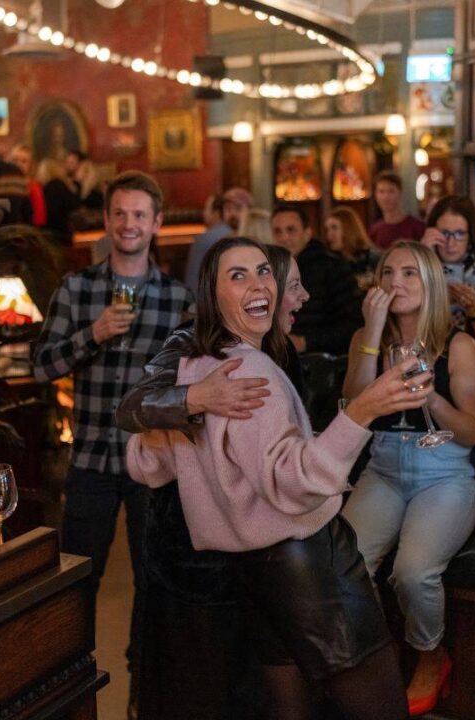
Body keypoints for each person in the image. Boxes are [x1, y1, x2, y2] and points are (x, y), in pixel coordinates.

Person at [127, 236, 436, 720]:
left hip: (258, 574)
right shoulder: (251, 371)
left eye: (262, 271)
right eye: (238, 275)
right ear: (212, 297)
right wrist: (364, 409)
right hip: (314, 568)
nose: (258, 284)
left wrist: (190, 414)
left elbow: (145, 461)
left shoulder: (197, 371)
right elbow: (296, 482)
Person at [114, 241, 308, 720]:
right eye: (294, 285)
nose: (300, 296)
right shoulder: (191, 338)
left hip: (250, 550)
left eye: (265, 275)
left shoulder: (279, 351)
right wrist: (198, 396)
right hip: (190, 555)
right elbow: (132, 408)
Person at [33, 170, 194, 716]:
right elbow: (41, 365)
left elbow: (191, 384)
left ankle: (141, 698)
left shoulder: (178, 299)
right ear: (106, 221)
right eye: (119, 214)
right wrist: (93, 334)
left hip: (154, 462)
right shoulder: (76, 289)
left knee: (153, 585)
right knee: (79, 581)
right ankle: (71, 696)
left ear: (157, 224)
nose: (129, 224)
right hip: (92, 459)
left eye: (139, 215)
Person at [340, 241, 475, 716]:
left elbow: (471, 432)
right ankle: (378, 663)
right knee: (345, 564)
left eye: (409, 273)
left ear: (430, 284)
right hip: (382, 466)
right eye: (387, 273)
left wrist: (432, 399)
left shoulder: (459, 345)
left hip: (443, 471)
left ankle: (430, 657)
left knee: (414, 571)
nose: (395, 283)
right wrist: (373, 330)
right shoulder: (368, 339)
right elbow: (352, 409)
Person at [422, 195, 475, 361]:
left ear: (471, 237)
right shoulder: (417, 272)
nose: (450, 242)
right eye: (444, 233)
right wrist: (422, 258)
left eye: (460, 233)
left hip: (473, 369)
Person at [271, 204, 360, 355]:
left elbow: (353, 324)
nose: (284, 238)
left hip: (322, 363)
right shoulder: (271, 270)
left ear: (307, 233)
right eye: (278, 231)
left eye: (291, 230)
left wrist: (305, 341)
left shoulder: (333, 268)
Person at [184, 193, 232, 294]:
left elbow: (193, 278)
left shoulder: (203, 240)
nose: (204, 213)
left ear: (216, 213)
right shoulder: (236, 236)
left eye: (206, 209)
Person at [324, 206, 378, 293]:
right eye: (327, 229)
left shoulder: (373, 258)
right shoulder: (330, 263)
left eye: (334, 228)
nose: (329, 235)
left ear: (349, 229)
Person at [368, 171, 426, 250]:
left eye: (391, 191)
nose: (386, 197)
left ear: (400, 192)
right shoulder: (375, 230)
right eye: (381, 191)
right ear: (375, 195)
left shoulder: (417, 227)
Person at [7, 144, 48, 227]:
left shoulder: (33, 187)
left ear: (31, 165)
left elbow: (39, 219)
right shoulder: (6, 184)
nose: (18, 164)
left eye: (24, 161)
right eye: (15, 160)